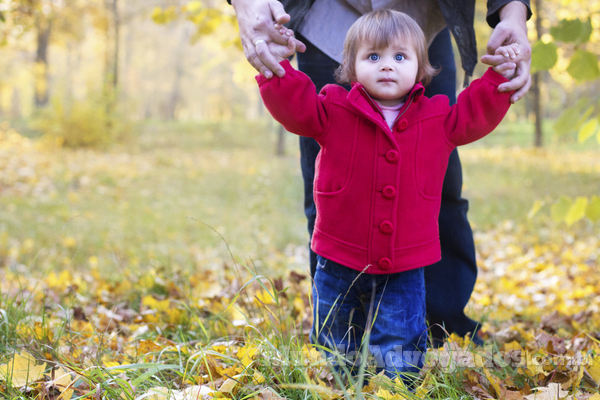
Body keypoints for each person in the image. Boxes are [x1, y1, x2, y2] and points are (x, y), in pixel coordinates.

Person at [228, 0, 531, 346]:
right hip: (339, 257)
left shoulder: (437, 118)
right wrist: (277, 67)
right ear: (350, 68)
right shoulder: (333, 109)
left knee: (400, 340)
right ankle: (340, 371)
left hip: (406, 262)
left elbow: (474, 112)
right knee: (337, 339)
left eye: (399, 58)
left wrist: (499, 75)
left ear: (422, 68)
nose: (387, 66)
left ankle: (436, 337)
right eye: (373, 58)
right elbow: (297, 107)